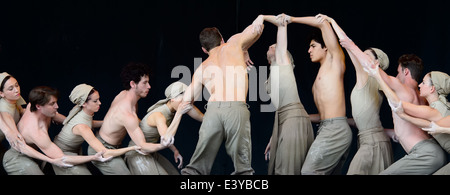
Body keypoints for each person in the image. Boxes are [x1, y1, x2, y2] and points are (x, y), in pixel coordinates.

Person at [179, 15, 264, 175]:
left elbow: (185, 104)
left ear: (204, 50)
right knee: (243, 169)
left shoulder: (201, 68)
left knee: (194, 170)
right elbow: (256, 30)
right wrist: (260, 18)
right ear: (222, 39)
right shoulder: (233, 45)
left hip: (212, 111)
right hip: (236, 108)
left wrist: (207, 119)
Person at [345, 42, 447, 174]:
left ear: (406, 71)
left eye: (398, 72)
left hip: (424, 153)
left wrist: (349, 44)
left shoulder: (402, 88)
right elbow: (407, 130)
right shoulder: (423, 98)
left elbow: (373, 69)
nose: (397, 76)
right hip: (435, 152)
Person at [318, 15, 394, 174]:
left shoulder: (366, 74)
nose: (361, 56)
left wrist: (332, 21)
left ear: (376, 62)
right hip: (373, 141)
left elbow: (347, 43)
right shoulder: (373, 80)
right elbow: (364, 116)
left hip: (372, 144)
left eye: (365, 55)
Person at [282, 14, 352, 175]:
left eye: (313, 46)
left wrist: (291, 19)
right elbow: (323, 115)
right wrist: (298, 117)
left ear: (326, 46)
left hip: (335, 130)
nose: (309, 50)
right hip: (327, 127)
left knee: (308, 172)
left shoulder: (336, 61)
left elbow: (323, 23)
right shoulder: (318, 78)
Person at [3, 86, 110, 175]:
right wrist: (94, 157)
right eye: (52, 104)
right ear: (39, 106)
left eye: (56, 102)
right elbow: (62, 159)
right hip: (18, 157)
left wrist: (106, 123)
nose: (57, 106)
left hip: (40, 154)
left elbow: (71, 123)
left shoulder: (35, 106)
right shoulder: (36, 132)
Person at [87, 62, 170, 175]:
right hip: (102, 148)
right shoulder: (127, 114)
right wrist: (164, 145)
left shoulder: (125, 95)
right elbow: (143, 146)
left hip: (115, 146)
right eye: (144, 83)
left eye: (148, 82)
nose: (149, 86)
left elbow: (134, 123)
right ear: (133, 84)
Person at [261, 14, 314, 175]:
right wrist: (274, 136)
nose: (273, 46)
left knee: (287, 170)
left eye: (276, 45)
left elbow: (282, 27)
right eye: (271, 45)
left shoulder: (282, 62)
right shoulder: (272, 72)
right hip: (283, 121)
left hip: (293, 118)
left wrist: (262, 17)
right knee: (279, 167)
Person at [52, 83, 142, 175]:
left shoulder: (84, 113)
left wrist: (110, 121)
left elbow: (91, 123)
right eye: (95, 101)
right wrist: (132, 148)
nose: (100, 103)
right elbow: (105, 153)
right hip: (62, 153)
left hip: (75, 151)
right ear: (84, 103)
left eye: (99, 99)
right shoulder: (82, 127)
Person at [0, 72, 72, 174]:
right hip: (15, 149)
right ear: (1, 93)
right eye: (11, 89)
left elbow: (21, 112)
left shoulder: (12, 100)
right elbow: (20, 145)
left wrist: (47, 113)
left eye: (16, 85)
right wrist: (50, 160)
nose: (16, 90)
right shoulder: (5, 111)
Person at [125, 81, 203, 175]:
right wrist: (179, 114)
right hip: (137, 154)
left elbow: (202, 118)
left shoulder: (171, 110)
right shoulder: (159, 115)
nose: (185, 104)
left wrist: (175, 150)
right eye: (182, 101)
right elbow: (166, 139)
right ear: (172, 99)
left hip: (150, 152)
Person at [381, 71, 450, 174]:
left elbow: (397, 103)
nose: (419, 85)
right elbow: (429, 125)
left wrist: (376, 74)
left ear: (432, 88)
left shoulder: (436, 109)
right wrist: (403, 116)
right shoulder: (439, 107)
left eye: (423, 82)